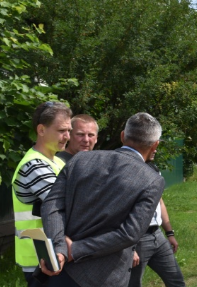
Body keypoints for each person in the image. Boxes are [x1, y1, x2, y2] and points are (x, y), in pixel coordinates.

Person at [40, 112, 165, 287]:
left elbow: (52, 205)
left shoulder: (80, 159)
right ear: (155, 145)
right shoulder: (152, 180)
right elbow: (129, 234)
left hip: (59, 271)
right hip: (104, 277)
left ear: (122, 136)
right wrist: (74, 250)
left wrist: (60, 248)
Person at [12, 101, 72, 287]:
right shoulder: (34, 165)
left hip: (54, 254)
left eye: (69, 130)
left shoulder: (56, 162)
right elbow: (69, 206)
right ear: (41, 130)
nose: (67, 136)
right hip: (42, 259)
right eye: (62, 130)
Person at [128, 149, 185, 287]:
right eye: (151, 144)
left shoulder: (153, 169)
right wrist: (128, 248)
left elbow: (159, 202)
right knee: (133, 284)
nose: (156, 149)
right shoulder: (127, 170)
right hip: (137, 238)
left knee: (176, 281)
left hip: (157, 236)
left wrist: (169, 233)